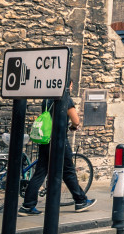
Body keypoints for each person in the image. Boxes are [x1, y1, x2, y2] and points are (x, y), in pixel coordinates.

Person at [20, 83, 95, 215]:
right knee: (68, 171)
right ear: (68, 85)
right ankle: (80, 201)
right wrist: (73, 126)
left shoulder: (47, 98)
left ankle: (27, 205)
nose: (71, 88)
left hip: (46, 139)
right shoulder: (65, 97)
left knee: (40, 172)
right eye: (71, 85)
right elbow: (76, 120)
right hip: (59, 140)